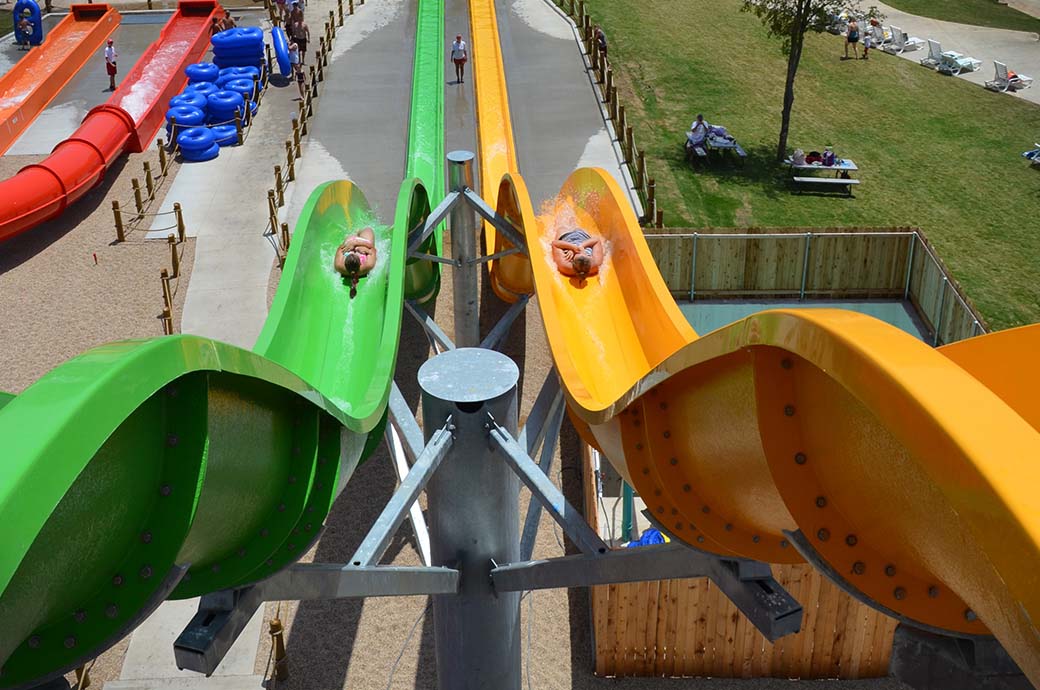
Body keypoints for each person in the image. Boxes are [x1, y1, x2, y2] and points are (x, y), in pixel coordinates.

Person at [334, 227, 378, 298]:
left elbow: (340, 248)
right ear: (360, 263)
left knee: (351, 237)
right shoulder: (367, 265)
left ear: (344, 264)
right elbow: (373, 249)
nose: (354, 251)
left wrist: (351, 244)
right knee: (368, 230)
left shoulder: (339, 265)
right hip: (363, 246)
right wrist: (357, 243)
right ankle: (359, 232)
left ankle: (356, 233)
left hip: (351, 245)